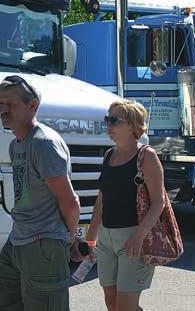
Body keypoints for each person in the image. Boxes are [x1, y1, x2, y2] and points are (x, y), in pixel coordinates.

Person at [0, 75, 81, 310]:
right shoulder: (16, 145)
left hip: (43, 243)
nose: (4, 109)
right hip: (18, 241)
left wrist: (71, 239)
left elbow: (70, 201)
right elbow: (24, 196)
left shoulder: (43, 144)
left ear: (32, 105)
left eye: (11, 104)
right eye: (0, 103)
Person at [84, 100, 164, 311]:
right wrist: (91, 238)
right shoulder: (109, 155)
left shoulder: (146, 156)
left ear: (132, 124)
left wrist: (139, 235)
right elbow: (102, 199)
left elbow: (159, 202)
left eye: (114, 120)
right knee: (112, 304)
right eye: (107, 120)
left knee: (125, 308)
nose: (109, 125)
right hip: (106, 239)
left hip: (133, 238)